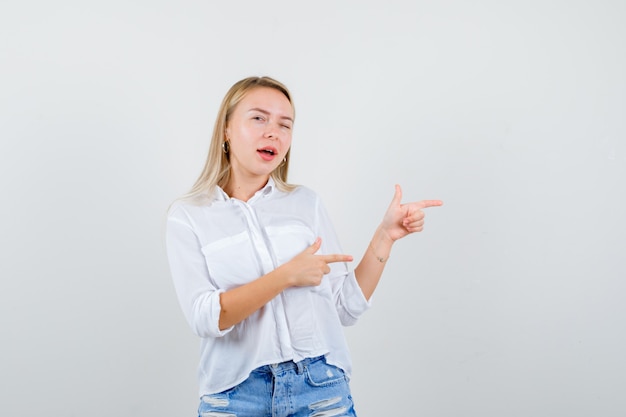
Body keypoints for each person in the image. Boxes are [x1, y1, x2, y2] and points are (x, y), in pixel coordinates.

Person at [166, 76, 442, 417]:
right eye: (258, 118)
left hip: (319, 389)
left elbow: (345, 306)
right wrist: (285, 276)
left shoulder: (304, 203)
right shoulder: (189, 215)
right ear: (226, 129)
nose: (273, 132)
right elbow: (206, 317)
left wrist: (385, 236)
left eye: (285, 125)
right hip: (235, 397)